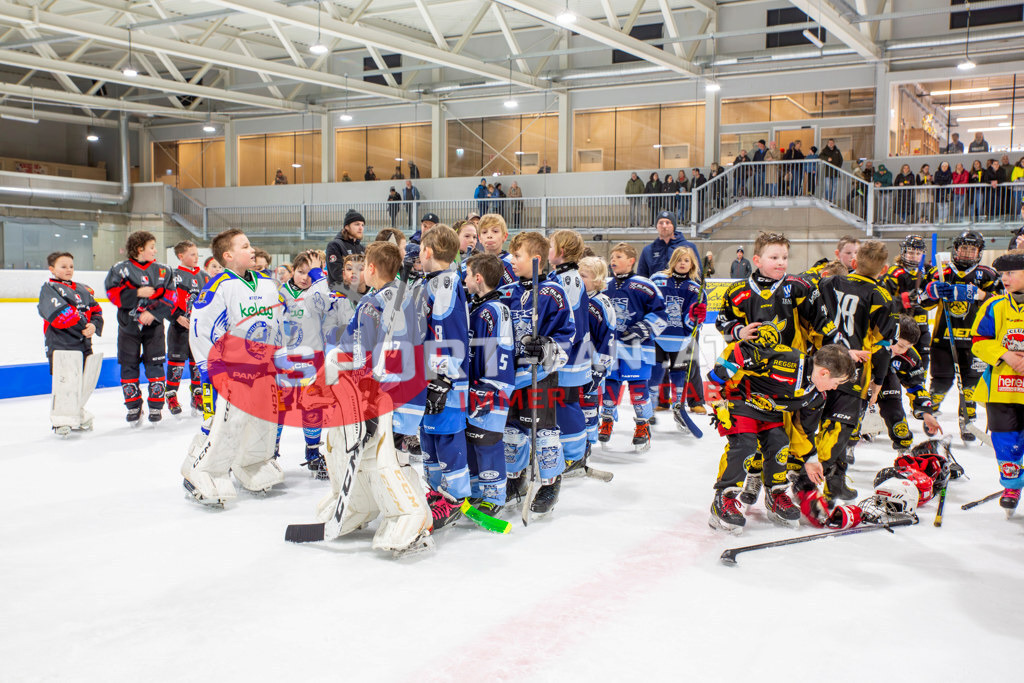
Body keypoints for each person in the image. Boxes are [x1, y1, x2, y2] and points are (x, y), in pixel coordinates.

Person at [180, 229, 286, 505]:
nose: (252, 250)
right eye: (245, 246)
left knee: (256, 419)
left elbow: (277, 324)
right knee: (218, 421)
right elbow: (201, 330)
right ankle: (198, 468)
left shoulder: (267, 284)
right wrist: (209, 369)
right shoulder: (218, 287)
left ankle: (250, 462)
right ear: (227, 256)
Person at [706, 338, 853, 533]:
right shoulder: (786, 359)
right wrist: (713, 385)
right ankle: (723, 499)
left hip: (770, 412)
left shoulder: (817, 397)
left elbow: (804, 430)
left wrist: (810, 458)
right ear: (824, 373)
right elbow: (740, 351)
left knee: (780, 442)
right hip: (740, 399)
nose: (835, 388)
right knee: (745, 444)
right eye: (837, 382)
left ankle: (775, 495)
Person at [816, 240, 900, 502]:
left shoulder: (828, 283)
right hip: (854, 371)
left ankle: (835, 483)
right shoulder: (881, 297)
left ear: (853, 263)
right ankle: (805, 467)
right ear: (884, 269)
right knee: (842, 425)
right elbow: (884, 346)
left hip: (820, 364)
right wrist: (878, 381)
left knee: (831, 423)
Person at [500, 231, 575, 514]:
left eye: (516, 255)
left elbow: (568, 335)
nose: (511, 260)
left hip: (540, 376)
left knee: (542, 431)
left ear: (535, 259)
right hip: (512, 376)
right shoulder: (508, 293)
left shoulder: (553, 293)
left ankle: (550, 482)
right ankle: (515, 479)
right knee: (512, 430)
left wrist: (545, 347)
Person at [407, 225, 473, 528]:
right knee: (430, 437)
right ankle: (437, 493)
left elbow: (448, 332)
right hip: (428, 376)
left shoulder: (446, 283)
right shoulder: (430, 281)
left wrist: (443, 378)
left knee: (446, 436)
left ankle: (455, 498)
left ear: (427, 252)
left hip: (445, 380)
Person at [923, 230, 1001, 441]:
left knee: (970, 385)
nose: (967, 252)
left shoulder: (988, 274)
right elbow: (922, 301)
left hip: (975, 339)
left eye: (972, 248)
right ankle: (930, 414)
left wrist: (982, 295)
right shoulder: (941, 272)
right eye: (963, 248)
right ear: (956, 249)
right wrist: (932, 290)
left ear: (979, 251)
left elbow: (1002, 301)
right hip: (943, 338)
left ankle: (966, 420)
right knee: (940, 382)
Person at [598, 242, 667, 452]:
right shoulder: (606, 286)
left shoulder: (644, 285)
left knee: (638, 389)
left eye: (618, 256)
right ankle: (607, 420)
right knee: (610, 387)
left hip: (638, 350)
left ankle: (642, 426)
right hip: (612, 350)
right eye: (612, 257)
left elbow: (662, 315)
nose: (613, 261)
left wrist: (643, 328)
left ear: (631, 261)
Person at [275, 250, 338, 477]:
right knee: (280, 407)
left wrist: (318, 277)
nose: (304, 278)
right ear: (292, 271)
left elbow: (327, 306)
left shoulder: (319, 290)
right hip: (286, 359)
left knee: (313, 406)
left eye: (308, 273)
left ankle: (313, 454)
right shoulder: (281, 293)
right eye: (300, 272)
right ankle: (270, 454)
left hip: (314, 357)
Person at [971, 249, 1024, 515]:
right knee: (1005, 443)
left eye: (1011, 273)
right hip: (1002, 390)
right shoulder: (994, 306)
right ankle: (1012, 485)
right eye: (1002, 273)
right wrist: (1005, 355)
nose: (1004, 278)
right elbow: (978, 342)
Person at [104, 230, 175, 424]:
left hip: (154, 327)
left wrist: (154, 313)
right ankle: (133, 406)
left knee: (155, 364)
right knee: (129, 365)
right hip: (128, 327)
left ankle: (155, 406)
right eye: (151, 247)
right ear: (139, 249)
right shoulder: (120, 269)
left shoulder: (164, 270)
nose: (155, 250)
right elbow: (112, 294)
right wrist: (136, 292)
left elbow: (171, 297)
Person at [463, 253, 515, 513]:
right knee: (472, 439)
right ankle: (475, 490)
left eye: (468, 274)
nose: (465, 279)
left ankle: (494, 497)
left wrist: (489, 388)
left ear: (478, 278)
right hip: (474, 387)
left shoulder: (496, 310)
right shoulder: (476, 307)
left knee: (488, 440)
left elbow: (500, 352)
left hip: (491, 389)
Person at [38, 251, 104, 436]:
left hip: (83, 343)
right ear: (52, 269)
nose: (68, 270)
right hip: (61, 343)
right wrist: (84, 326)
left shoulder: (84, 289)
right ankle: (61, 420)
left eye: (71, 266)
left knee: (83, 381)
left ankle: (76, 413)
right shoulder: (49, 288)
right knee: (65, 381)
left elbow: (97, 311)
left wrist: (93, 326)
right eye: (63, 266)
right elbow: (59, 314)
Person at [547, 230, 592, 474]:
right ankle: (569, 448)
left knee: (567, 402)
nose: (547, 250)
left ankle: (575, 454)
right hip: (565, 353)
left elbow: (571, 321)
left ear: (561, 251)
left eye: (551, 246)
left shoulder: (570, 279)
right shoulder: (559, 275)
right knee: (560, 401)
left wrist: (559, 347)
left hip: (571, 355)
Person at [650, 246, 708, 423]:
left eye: (686, 260)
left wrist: (695, 317)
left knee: (680, 373)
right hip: (658, 338)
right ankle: (650, 407)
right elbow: (649, 304)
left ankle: (679, 406)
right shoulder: (657, 280)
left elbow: (693, 324)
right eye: (679, 259)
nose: (682, 263)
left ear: (692, 264)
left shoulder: (695, 289)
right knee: (655, 372)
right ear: (672, 261)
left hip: (680, 340)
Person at [869, 315, 942, 454]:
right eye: (900, 345)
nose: (901, 350)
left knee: (895, 413)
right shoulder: (869, 342)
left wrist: (926, 413)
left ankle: (904, 449)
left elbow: (916, 386)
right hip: (862, 376)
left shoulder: (911, 357)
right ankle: (846, 447)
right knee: (852, 410)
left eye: (906, 347)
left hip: (886, 378)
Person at [166, 240, 209, 416]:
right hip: (178, 329)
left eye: (197, 254)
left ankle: (197, 394)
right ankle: (171, 395)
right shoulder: (172, 275)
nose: (196, 257)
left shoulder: (204, 276)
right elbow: (165, 299)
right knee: (176, 363)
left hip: (198, 329)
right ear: (181, 256)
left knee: (196, 363)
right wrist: (176, 316)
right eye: (192, 254)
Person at [577, 256, 616, 452]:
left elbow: (609, 339)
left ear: (598, 280)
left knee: (588, 407)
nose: (578, 278)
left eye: (583, 276)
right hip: (574, 366)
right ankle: (574, 445)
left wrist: (600, 368)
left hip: (592, 367)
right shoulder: (573, 299)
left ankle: (587, 446)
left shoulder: (602, 303)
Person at [882, 235, 934, 373]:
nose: (914, 256)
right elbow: (885, 301)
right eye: (910, 252)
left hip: (921, 327)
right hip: (899, 329)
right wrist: (904, 299)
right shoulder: (894, 273)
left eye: (918, 253)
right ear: (903, 252)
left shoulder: (928, 272)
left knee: (921, 367)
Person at [637, 210, 698, 278]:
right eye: (661, 223)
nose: (664, 226)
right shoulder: (648, 250)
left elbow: (697, 273)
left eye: (668, 222)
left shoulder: (689, 247)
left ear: (673, 226)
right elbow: (642, 277)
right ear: (656, 226)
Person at [326, 209, 366, 288]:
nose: (361, 228)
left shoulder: (362, 248)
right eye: (357, 224)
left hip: (360, 295)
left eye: (362, 225)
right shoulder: (335, 245)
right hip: (341, 295)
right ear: (347, 227)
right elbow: (337, 274)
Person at [477, 213, 517, 285]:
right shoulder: (473, 264)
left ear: (505, 236)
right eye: (484, 232)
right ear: (479, 238)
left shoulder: (513, 263)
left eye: (495, 231)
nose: (489, 236)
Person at [820, 138, 844, 202]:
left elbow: (841, 160)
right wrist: (827, 158)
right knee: (827, 187)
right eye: (829, 143)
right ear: (827, 144)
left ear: (834, 143)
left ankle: (832, 200)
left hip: (835, 172)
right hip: (827, 172)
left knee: (834, 188)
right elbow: (820, 157)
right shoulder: (824, 151)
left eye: (832, 143)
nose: (831, 144)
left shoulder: (837, 151)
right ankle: (827, 200)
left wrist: (838, 167)